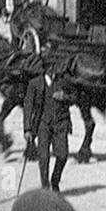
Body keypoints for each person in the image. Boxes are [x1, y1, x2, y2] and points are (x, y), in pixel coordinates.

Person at [24, 62, 73, 191]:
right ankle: (45, 186)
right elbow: (28, 107)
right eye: (51, 67)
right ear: (45, 69)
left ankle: (55, 181)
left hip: (61, 123)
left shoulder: (64, 82)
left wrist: (65, 97)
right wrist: (28, 129)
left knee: (63, 155)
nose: (53, 70)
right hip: (42, 124)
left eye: (55, 67)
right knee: (43, 157)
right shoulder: (35, 83)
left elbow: (75, 97)